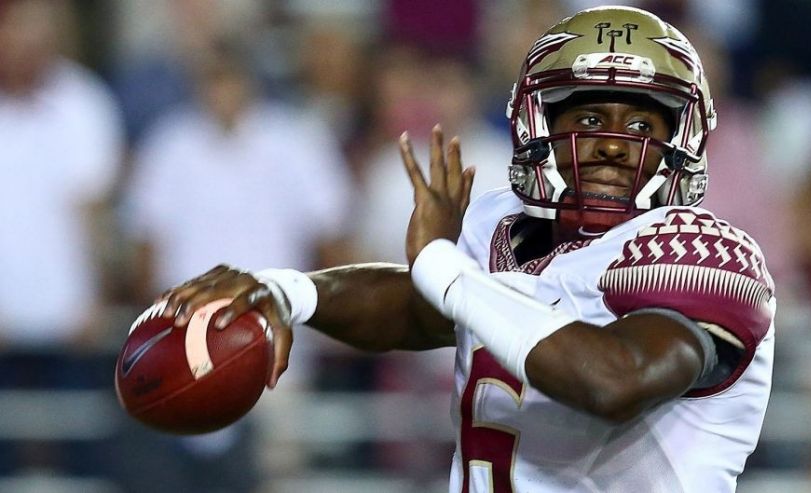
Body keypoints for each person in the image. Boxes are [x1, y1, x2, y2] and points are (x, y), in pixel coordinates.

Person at [156, 6, 775, 492]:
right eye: (588, 121)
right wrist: (290, 292)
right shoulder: (504, 227)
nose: (613, 144)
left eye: (640, 125)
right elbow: (415, 307)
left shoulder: (705, 254)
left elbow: (616, 380)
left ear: (684, 137)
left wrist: (445, 267)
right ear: (539, 124)